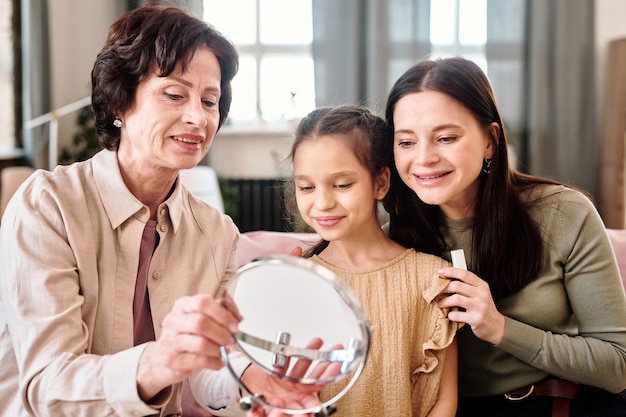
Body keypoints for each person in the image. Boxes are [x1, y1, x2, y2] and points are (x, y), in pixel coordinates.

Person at [0, 4, 335, 417]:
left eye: (209, 101)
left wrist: (251, 378)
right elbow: (48, 386)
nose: (197, 117)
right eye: (174, 94)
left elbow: (206, 376)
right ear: (120, 103)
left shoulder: (216, 232)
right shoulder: (48, 206)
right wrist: (162, 359)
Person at [382, 56, 626, 416]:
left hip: (558, 403)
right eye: (406, 142)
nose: (424, 158)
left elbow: (618, 364)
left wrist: (499, 328)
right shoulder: (392, 243)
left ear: (490, 141)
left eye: (446, 137)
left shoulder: (564, 214)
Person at [284, 105, 462, 417]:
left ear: (380, 183)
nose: (322, 203)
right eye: (307, 187)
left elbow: (444, 401)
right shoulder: (296, 281)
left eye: (342, 185)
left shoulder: (432, 277)